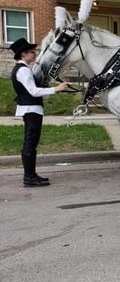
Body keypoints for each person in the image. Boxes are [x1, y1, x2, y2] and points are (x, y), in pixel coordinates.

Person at [10, 37, 69, 187]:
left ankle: (31, 175)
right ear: (23, 54)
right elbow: (34, 91)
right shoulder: (23, 70)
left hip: (31, 109)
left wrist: (53, 91)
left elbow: (33, 91)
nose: (35, 54)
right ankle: (29, 178)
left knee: (31, 143)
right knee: (30, 143)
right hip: (31, 110)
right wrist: (57, 88)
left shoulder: (23, 69)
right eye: (32, 52)